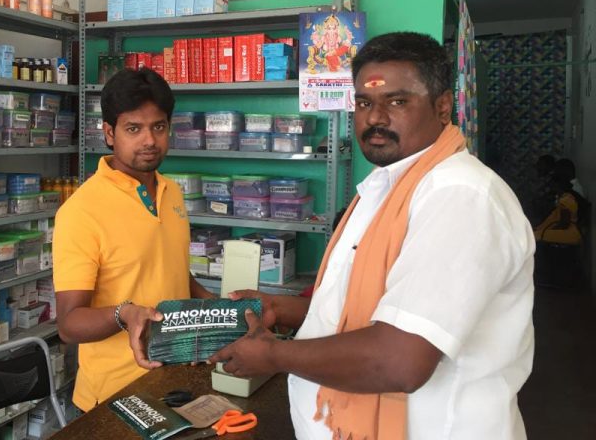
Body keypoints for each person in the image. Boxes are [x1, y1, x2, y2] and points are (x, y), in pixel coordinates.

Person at [209, 32, 535, 440]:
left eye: (397, 101)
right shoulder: (387, 186)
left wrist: (273, 354)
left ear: (442, 107)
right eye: (364, 102)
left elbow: (401, 361)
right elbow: (358, 301)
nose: (375, 117)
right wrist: (282, 308)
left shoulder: (460, 197)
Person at [53, 68, 212, 412]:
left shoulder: (172, 192)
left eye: (158, 127)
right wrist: (124, 314)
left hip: (175, 380)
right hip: (114, 397)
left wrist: (219, 309)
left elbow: (170, 269)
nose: (149, 141)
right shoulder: (82, 210)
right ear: (109, 133)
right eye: (133, 129)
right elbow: (68, 325)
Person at [534, 164, 582, 245]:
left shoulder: (566, 200)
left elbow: (564, 224)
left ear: (557, 185)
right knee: (536, 233)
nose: (550, 187)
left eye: (551, 185)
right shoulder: (565, 197)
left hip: (568, 233)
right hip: (565, 230)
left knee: (536, 236)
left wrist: (549, 231)